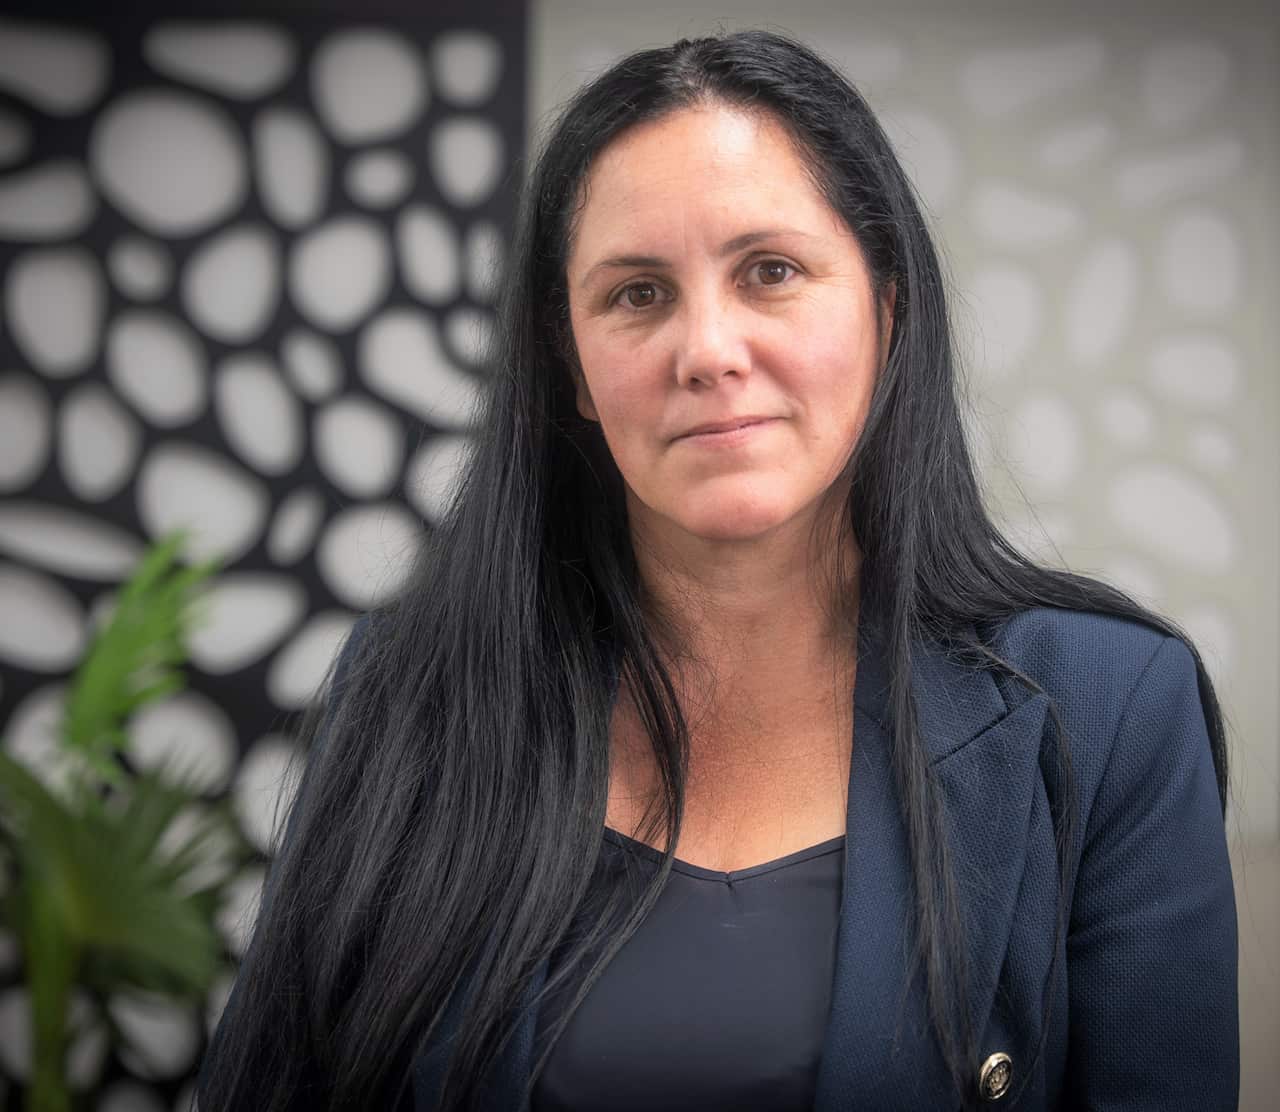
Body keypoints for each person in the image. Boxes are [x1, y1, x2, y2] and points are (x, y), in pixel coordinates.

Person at [197, 29, 1238, 1112]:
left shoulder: (1107, 706)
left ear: (886, 309)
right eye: (636, 293)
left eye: (769, 271)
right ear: (574, 367)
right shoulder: (408, 687)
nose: (706, 348)